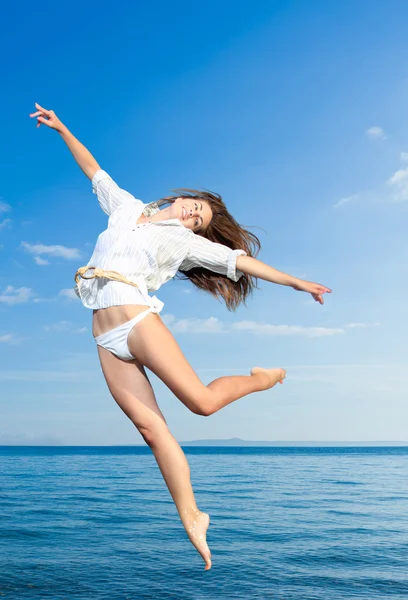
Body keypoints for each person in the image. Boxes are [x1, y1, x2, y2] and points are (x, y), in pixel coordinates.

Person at [30, 102, 331, 570]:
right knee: (152, 431)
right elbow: (93, 169)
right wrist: (62, 127)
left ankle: (264, 377)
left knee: (203, 404)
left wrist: (296, 281)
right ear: (183, 196)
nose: (194, 215)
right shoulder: (125, 208)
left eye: (200, 219)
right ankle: (191, 515)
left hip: (137, 322)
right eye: (197, 207)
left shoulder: (187, 243)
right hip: (104, 338)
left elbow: (240, 263)